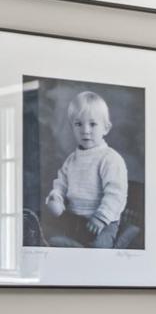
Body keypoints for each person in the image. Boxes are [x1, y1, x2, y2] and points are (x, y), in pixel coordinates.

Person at [45, 91, 128, 249]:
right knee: (52, 237)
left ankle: (120, 237)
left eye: (93, 124)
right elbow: (60, 185)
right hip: (75, 219)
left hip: (103, 221)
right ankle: (73, 246)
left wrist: (101, 217)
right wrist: (56, 197)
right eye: (78, 124)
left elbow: (116, 193)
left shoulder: (110, 159)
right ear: (72, 127)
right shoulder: (71, 160)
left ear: (106, 128)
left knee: (100, 247)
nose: (85, 130)